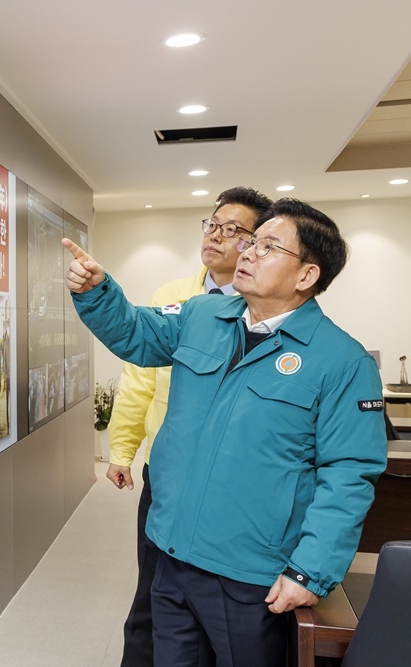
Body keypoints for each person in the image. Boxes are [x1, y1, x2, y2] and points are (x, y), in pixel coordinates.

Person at [64, 198, 387, 667]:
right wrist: (97, 291)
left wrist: (310, 572)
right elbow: (136, 331)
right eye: (252, 241)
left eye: (268, 246)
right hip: (172, 554)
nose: (248, 251)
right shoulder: (201, 316)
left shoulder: (342, 361)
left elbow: (349, 475)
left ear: (306, 276)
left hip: (251, 575)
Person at [107, 186, 273, 666]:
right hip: (170, 471)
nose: (216, 236)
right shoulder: (174, 297)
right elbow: (139, 379)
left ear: (256, 244)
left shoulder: (264, 310)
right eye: (212, 225)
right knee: (151, 598)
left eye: (233, 229)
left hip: (233, 484)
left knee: (220, 607)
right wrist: (123, 449)